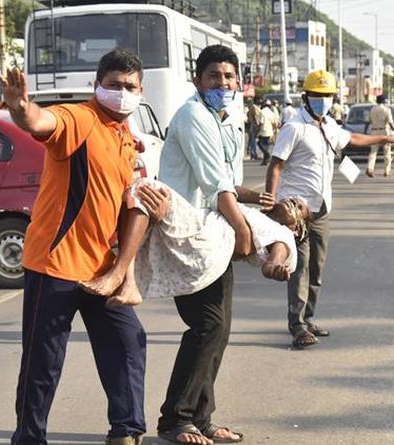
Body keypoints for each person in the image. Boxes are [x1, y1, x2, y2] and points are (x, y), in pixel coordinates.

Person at [0, 48, 150, 445]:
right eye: (114, 85)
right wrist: (21, 109)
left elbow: (131, 206)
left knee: (127, 340)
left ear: (141, 90)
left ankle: (126, 430)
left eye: (130, 87)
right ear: (97, 86)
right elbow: (42, 121)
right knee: (42, 363)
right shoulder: (80, 119)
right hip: (54, 265)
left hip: (101, 268)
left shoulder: (129, 142)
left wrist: (123, 272)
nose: (122, 92)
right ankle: (29, 438)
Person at [154, 44, 271, 445]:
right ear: (197, 80)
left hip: (212, 230)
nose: (222, 83)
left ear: (239, 82)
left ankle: (201, 419)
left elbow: (229, 182)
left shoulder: (226, 119)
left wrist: (254, 199)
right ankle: (175, 419)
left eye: (228, 77)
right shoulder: (192, 116)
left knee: (218, 328)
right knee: (207, 323)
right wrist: (243, 230)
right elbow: (213, 182)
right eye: (213, 77)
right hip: (187, 233)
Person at [266, 70, 394, 350]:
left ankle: (309, 317)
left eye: (327, 96)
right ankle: (297, 324)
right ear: (306, 97)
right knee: (300, 266)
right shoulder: (294, 127)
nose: (323, 101)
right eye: (318, 96)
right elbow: (276, 165)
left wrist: (383, 140)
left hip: (322, 208)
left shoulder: (328, 125)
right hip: (297, 210)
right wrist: (272, 200)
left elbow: (352, 138)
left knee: (317, 267)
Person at [80, 178, 307, 302]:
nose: (291, 202)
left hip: (208, 242)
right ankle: (128, 283)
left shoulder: (282, 235)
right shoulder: (256, 215)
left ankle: (121, 276)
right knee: (141, 214)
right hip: (202, 243)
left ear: (297, 229)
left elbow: (273, 260)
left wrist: (275, 268)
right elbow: (227, 188)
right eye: (292, 199)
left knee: (147, 189)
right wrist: (258, 196)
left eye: (299, 207)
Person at [364, 94, 394, 177]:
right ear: (384, 101)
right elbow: (390, 122)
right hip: (384, 132)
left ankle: (370, 168)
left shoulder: (372, 110)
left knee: (373, 152)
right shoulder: (387, 109)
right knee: (387, 152)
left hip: (374, 132)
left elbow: (368, 122)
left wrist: (365, 132)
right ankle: (387, 171)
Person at [257, 99, 279, 165]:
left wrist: (258, 130)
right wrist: (275, 131)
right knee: (266, 145)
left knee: (259, 143)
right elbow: (274, 123)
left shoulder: (262, 112)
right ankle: (265, 161)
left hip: (263, 130)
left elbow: (261, 122)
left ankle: (267, 154)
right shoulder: (271, 112)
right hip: (270, 131)